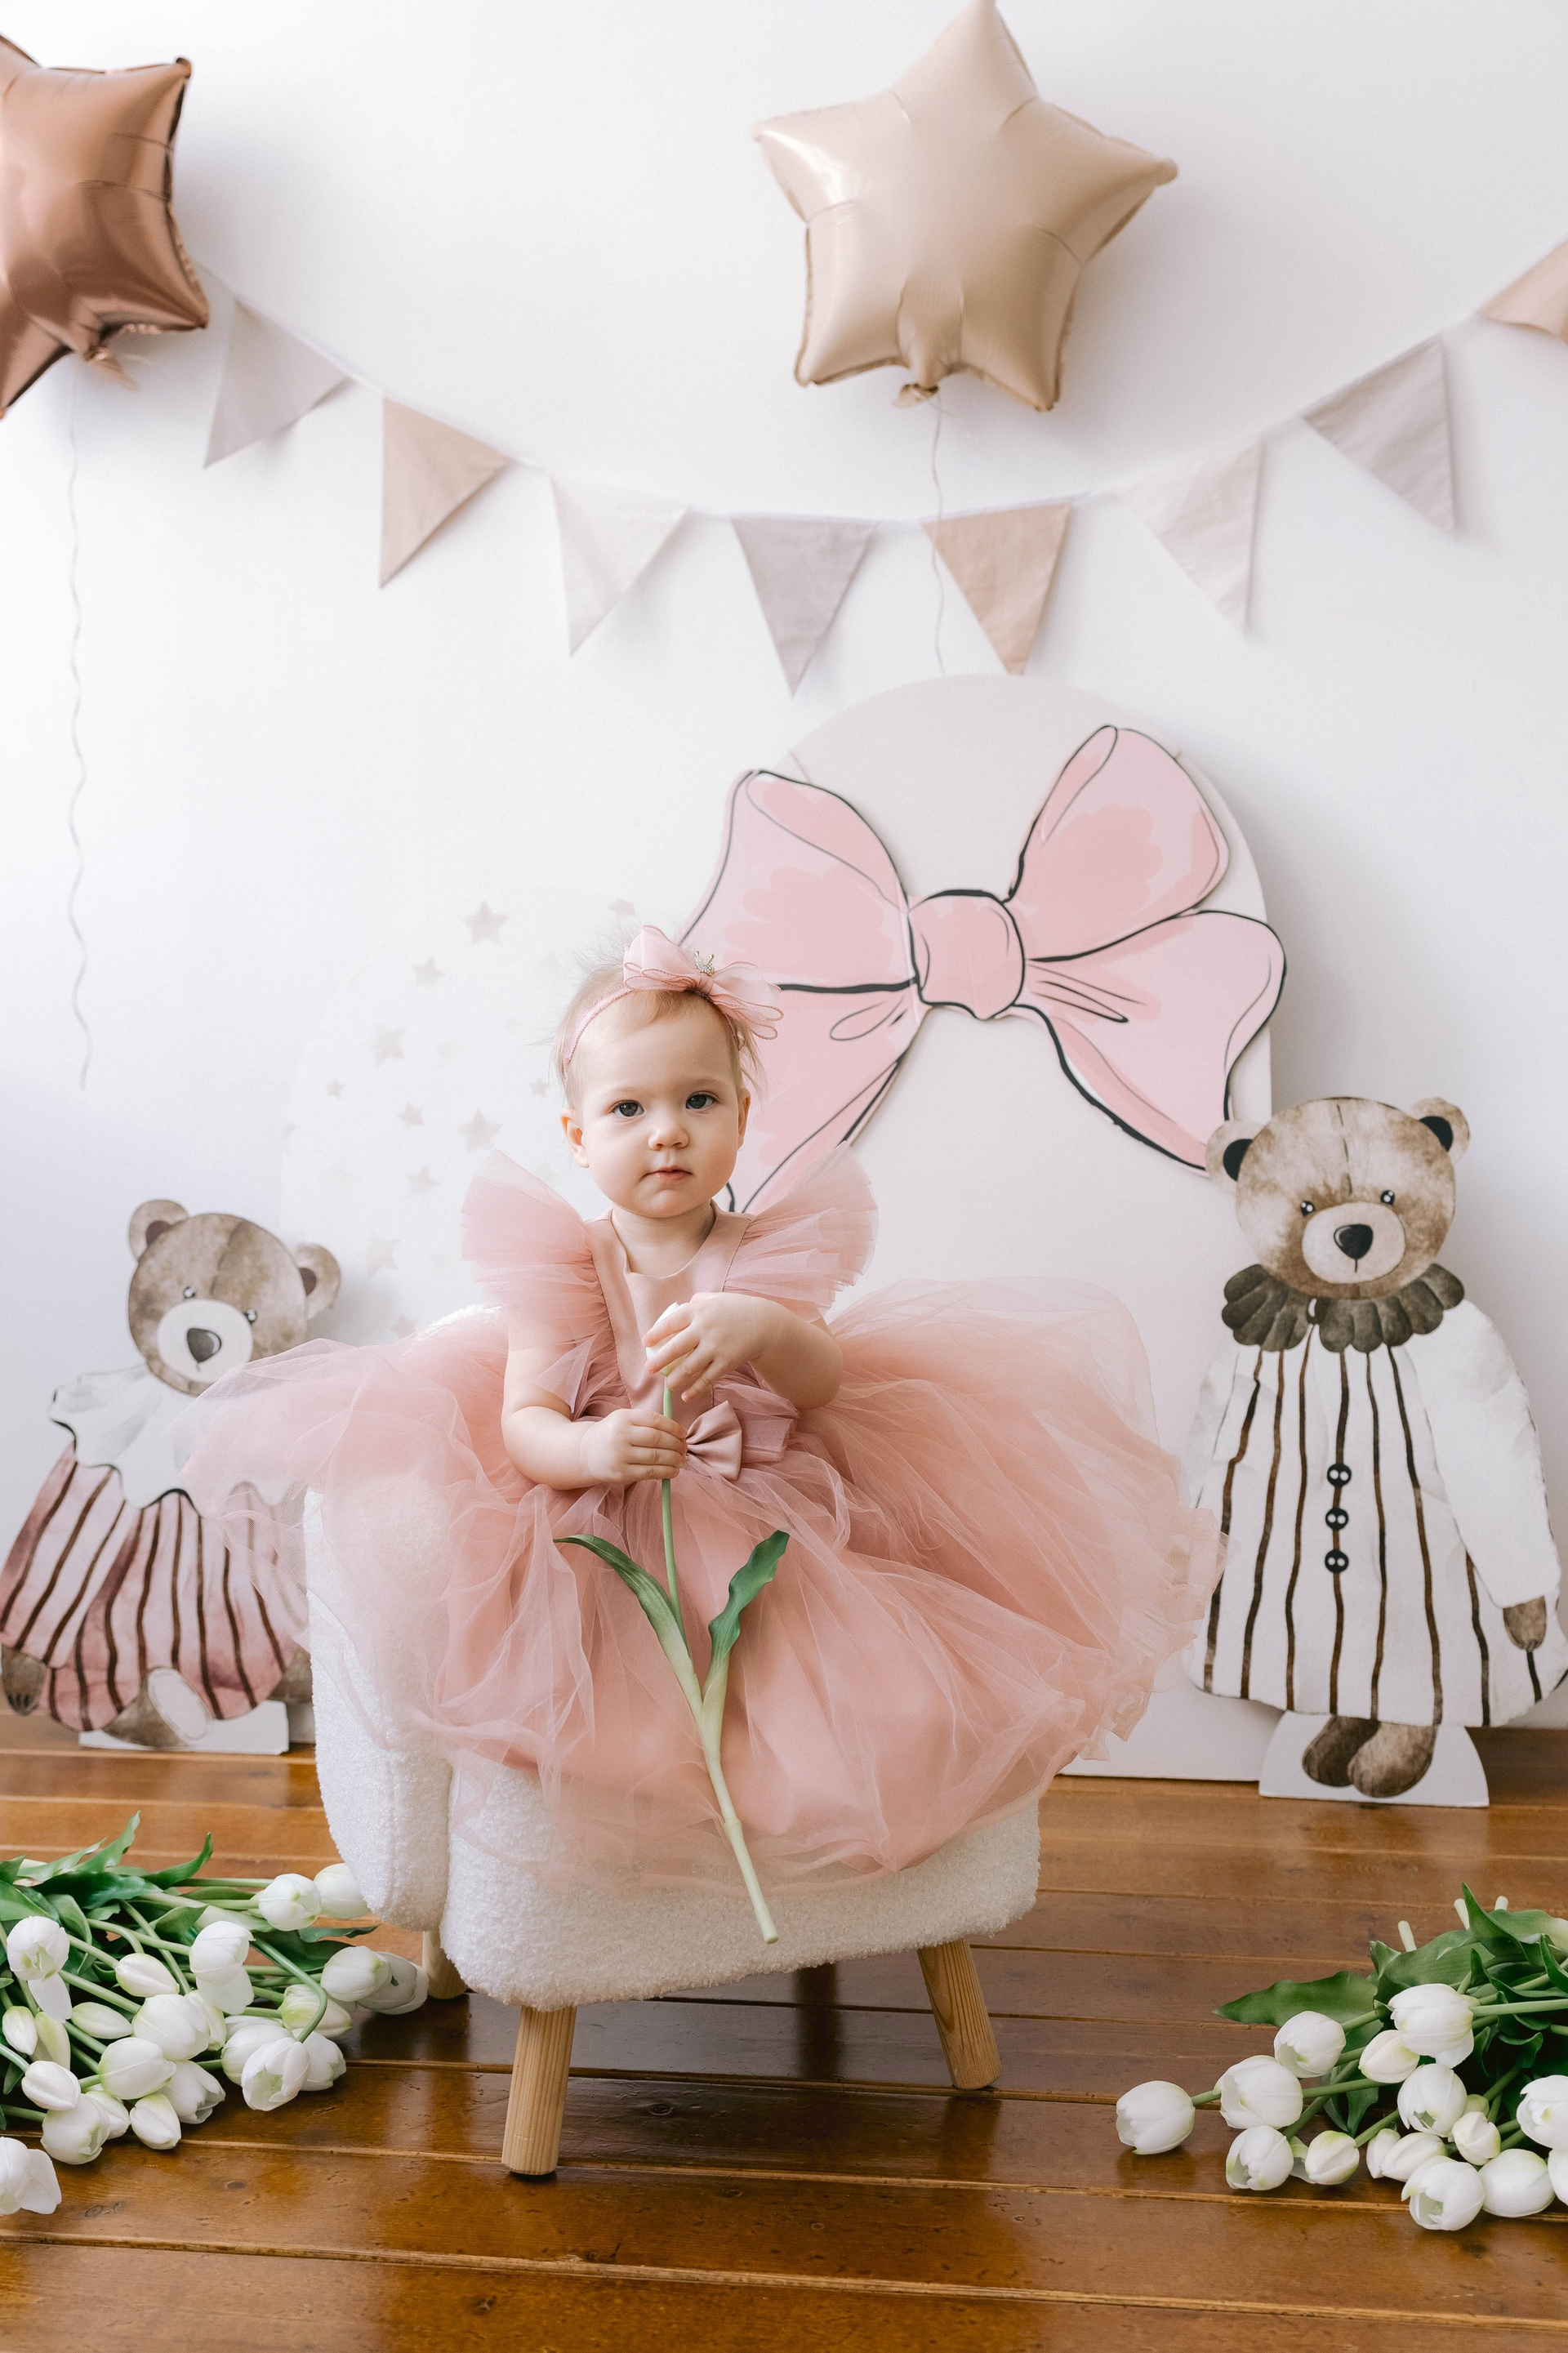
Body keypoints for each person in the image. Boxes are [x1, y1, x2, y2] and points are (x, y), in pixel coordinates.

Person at [180, 928, 1218, 1896]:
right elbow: (525, 1420)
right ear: (577, 1135)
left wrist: (764, 1329)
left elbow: (821, 1383)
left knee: (866, 1693)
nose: (667, 1131)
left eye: (699, 1100)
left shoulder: (769, 1249)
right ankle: (673, 1795)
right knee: (639, 1698)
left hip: (776, 1507)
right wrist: (592, 1444)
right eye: (628, 1110)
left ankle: (830, 1817)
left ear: (742, 1116)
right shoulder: (562, 1262)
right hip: (611, 1513)